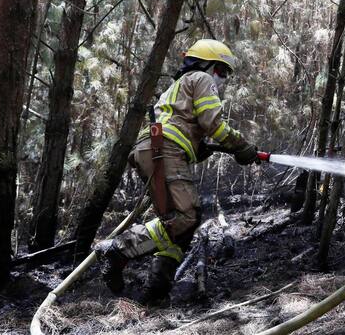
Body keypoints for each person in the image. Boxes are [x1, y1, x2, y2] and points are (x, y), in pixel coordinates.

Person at [95, 39, 261, 303]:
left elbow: (184, 127)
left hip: (155, 149)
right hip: (163, 150)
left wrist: (199, 148)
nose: (222, 80)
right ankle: (117, 249)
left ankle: (155, 292)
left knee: (179, 227)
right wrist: (242, 146)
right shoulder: (200, 79)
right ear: (207, 65)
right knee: (185, 217)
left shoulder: (178, 87)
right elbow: (214, 124)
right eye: (221, 72)